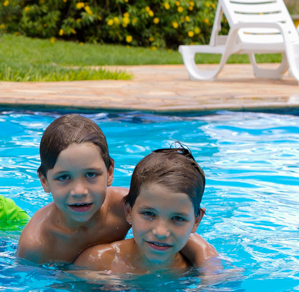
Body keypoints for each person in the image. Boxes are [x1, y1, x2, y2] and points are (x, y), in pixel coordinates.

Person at [17, 114, 218, 267]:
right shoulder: (36, 244)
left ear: (110, 172)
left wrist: (210, 273)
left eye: (91, 175)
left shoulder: (125, 205)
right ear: (44, 180)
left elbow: (178, 225)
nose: (79, 190)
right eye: (63, 177)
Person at [74, 147, 213, 274]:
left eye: (178, 218)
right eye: (149, 214)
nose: (160, 232)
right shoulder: (96, 264)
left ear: (196, 221)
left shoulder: (197, 271)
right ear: (128, 211)